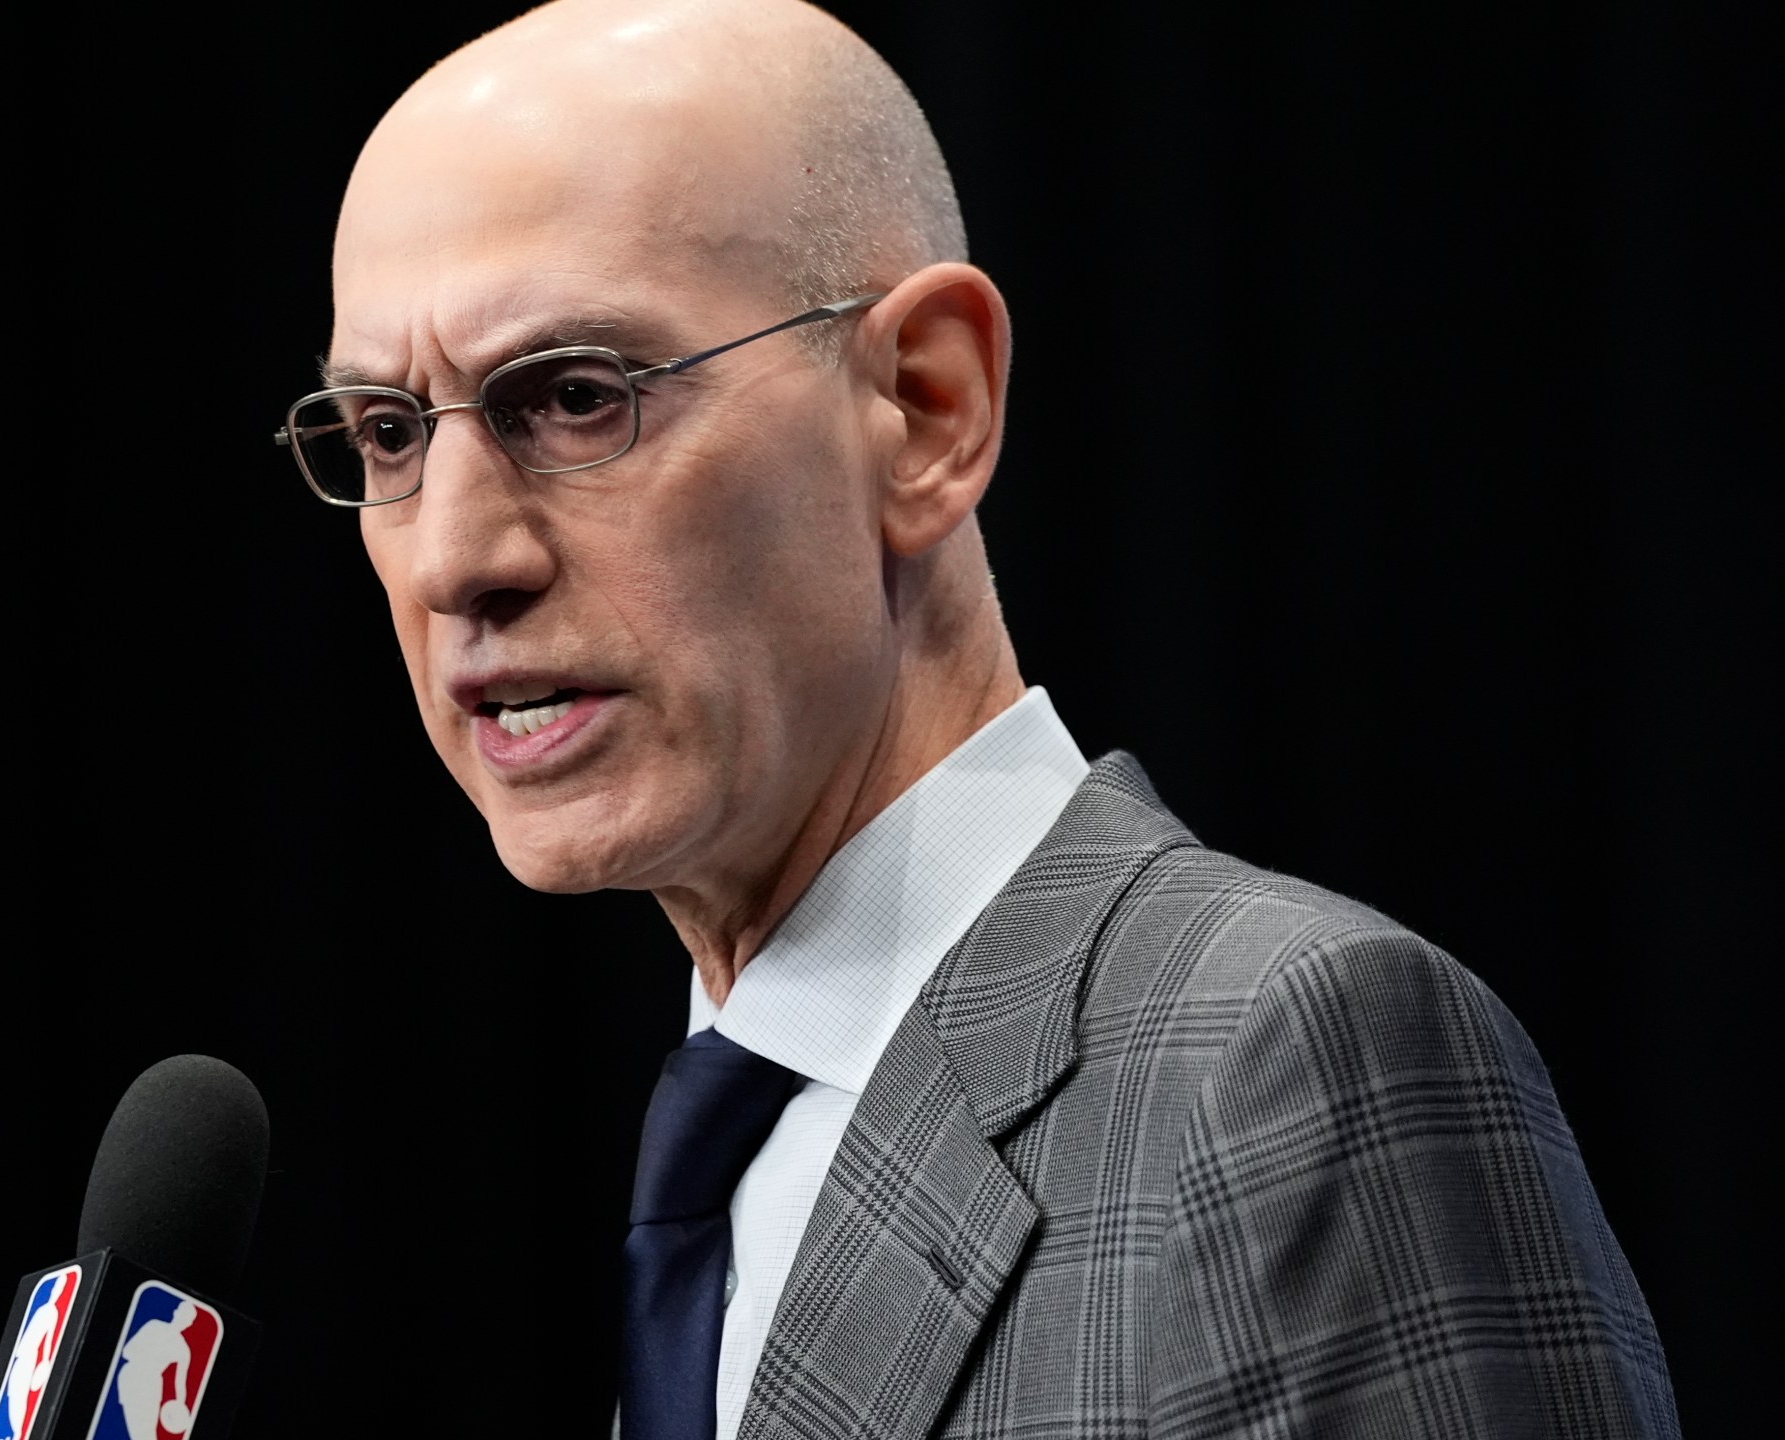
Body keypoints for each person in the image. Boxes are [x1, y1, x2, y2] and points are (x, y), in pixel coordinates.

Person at [272, 0, 1680, 1435]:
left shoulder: (1282, 1059)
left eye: (574, 398)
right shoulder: (730, 1154)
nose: (452, 559)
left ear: (925, 407)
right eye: (387, 432)